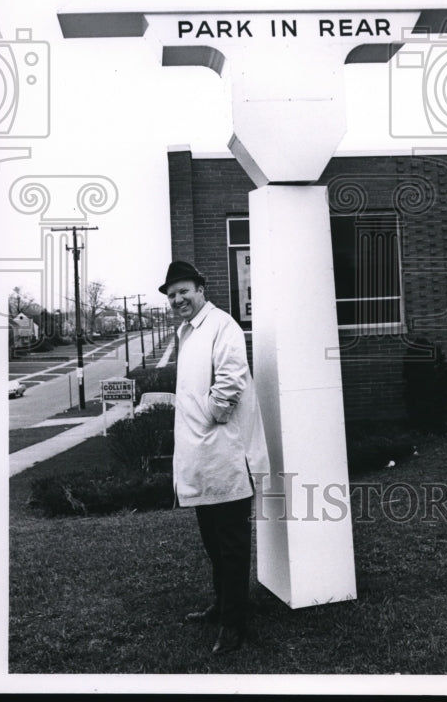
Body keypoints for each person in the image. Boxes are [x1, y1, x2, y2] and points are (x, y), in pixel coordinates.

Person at [159, 259, 269, 655]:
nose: (178, 299)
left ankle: (234, 625)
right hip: (201, 458)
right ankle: (223, 605)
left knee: (232, 545)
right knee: (213, 544)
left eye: (184, 291)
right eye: (172, 295)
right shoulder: (187, 332)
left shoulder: (222, 325)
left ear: (200, 288)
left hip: (226, 455)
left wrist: (212, 413)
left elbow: (230, 379)